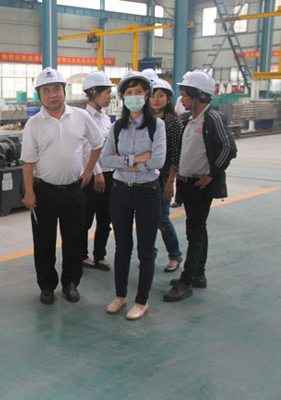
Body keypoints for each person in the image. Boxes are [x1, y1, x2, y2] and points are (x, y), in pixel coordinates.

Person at [21, 67, 103, 305]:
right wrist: (29, 192)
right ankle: (47, 286)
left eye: (56, 89)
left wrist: (89, 170)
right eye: (46, 90)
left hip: (73, 190)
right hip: (44, 191)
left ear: (64, 91)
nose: (52, 95)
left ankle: (70, 283)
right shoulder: (34, 124)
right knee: (43, 242)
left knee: (74, 240)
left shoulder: (80, 116)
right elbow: (28, 162)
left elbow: (97, 143)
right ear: (39, 95)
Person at [163, 70, 236, 302]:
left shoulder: (212, 119)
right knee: (196, 230)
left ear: (200, 96)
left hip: (200, 186)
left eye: (185, 95)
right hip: (186, 184)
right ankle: (198, 274)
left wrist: (212, 174)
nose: (182, 99)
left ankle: (186, 282)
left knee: (195, 233)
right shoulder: (187, 119)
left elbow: (228, 148)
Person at [101, 71, 166, 321]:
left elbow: (157, 161)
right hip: (120, 192)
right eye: (129, 93)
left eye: (138, 92)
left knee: (145, 250)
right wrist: (137, 160)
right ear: (123, 97)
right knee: (122, 247)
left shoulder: (157, 126)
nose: (134, 96)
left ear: (146, 95)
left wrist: (124, 162)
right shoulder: (117, 126)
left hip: (147, 192)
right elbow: (107, 160)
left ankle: (141, 300)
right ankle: (120, 295)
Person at [81, 71, 115, 271]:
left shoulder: (105, 118)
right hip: (91, 175)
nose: (110, 97)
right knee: (85, 219)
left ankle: (99, 255)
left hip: (109, 174)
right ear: (94, 92)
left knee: (105, 218)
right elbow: (86, 149)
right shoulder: (83, 117)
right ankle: (82, 255)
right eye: (107, 93)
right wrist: (97, 172)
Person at [149, 78, 184, 273]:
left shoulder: (173, 122)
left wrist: (170, 182)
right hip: (147, 178)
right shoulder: (147, 120)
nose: (156, 99)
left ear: (168, 98)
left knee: (162, 219)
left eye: (160, 96)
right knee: (148, 219)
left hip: (163, 179)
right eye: (153, 96)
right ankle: (150, 253)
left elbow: (176, 155)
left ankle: (175, 254)